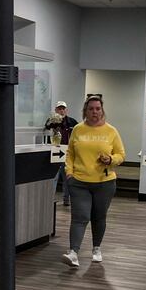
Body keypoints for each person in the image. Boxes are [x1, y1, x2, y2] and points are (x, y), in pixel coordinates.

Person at [61, 96, 125, 268]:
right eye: (91, 109)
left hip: (104, 183)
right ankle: (73, 252)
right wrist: (69, 173)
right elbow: (70, 154)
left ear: (102, 110)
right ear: (85, 111)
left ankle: (96, 249)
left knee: (98, 217)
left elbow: (121, 155)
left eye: (98, 108)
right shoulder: (77, 130)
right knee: (80, 217)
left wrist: (110, 159)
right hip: (79, 182)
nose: (95, 112)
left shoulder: (111, 131)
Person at [44, 101, 79, 206]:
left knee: (67, 177)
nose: (61, 110)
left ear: (66, 110)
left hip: (67, 152)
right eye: (59, 109)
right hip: (55, 151)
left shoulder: (72, 122)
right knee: (54, 176)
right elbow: (46, 127)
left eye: (63, 109)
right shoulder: (52, 120)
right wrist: (53, 122)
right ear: (56, 110)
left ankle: (66, 199)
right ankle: (50, 199)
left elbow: (78, 134)